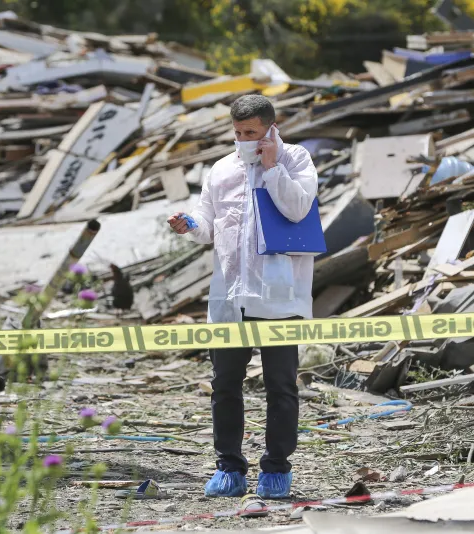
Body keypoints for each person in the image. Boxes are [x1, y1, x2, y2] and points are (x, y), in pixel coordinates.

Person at [167, 94, 317, 500]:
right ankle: (229, 468)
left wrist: (271, 169)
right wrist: (189, 223)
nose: (243, 140)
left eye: (250, 133)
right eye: (237, 132)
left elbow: (298, 209)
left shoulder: (297, 160)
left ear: (270, 127)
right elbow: (208, 225)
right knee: (225, 385)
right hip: (229, 296)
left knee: (281, 386)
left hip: (279, 296)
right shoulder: (221, 170)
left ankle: (276, 469)